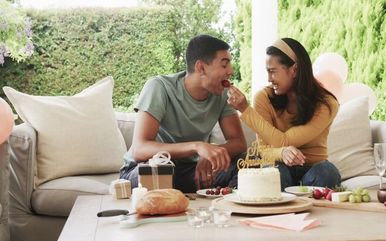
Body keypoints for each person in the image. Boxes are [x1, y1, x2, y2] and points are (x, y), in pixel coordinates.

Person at [120, 34, 247, 193]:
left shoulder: (221, 94)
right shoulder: (160, 87)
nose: (231, 71)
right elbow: (140, 149)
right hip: (146, 168)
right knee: (159, 171)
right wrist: (197, 147)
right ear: (201, 67)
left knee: (247, 164)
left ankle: (225, 208)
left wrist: (210, 155)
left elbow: (238, 143)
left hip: (190, 171)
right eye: (224, 65)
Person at [227, 38, 341, 190]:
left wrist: (246, 110)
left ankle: (303, 204)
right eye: (267, 72)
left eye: (273, 72)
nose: (269, 79)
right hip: (279, 167)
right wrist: (282, 153)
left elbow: (285, 140)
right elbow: (262, 151)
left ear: (294, 70)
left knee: (328, 173)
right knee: (274, 173)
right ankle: (286, 207)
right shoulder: (264, 98)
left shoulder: (327, 104)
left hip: (314, 169)